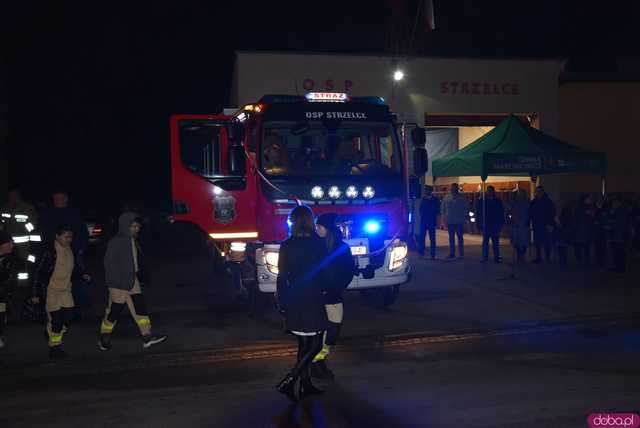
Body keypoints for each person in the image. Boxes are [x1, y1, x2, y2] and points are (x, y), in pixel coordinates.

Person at [275, 205, 329, 402]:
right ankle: (290, 380)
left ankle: (305, 385)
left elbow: (282, 276)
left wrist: (281, 301)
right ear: (310, 221)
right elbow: (324, 271)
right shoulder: (317, 244)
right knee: (315, 344)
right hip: (313, 296)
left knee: (304, 344)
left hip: (294, 296)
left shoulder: (287, 245)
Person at [98, 212, 167, 351]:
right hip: (118, 283)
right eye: (133, 226)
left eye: (138, 227)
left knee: (139, 307)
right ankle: (104, 337)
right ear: (125, 226)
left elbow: (136, 261)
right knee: (114, 311)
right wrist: (117, 282)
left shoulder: (131, 240)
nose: (137, 229)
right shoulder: (116, 241)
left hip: (131, 280)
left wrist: (142, 275)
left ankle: (147, 336)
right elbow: (109, 264)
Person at [32, 225, 90, 359]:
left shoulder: (71, 250)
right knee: (56, 320)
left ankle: (51, 332)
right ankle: (55, 347)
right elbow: (38, 273)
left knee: (68, 317)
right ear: (57, 236)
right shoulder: (48, 251)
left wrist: (83, 274)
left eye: (70, 237)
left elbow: (76, 267)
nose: (69, 240)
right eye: (66, 237)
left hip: (66, 290)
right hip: (51, 290)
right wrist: (35, 293)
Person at [311, 213, 355, 380]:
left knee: (333, 331)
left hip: (334, 295)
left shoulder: (342, 248)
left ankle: (320, 360)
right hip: (318, 297)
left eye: (319, 226)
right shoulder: (314, 247)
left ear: (326, 228)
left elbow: (348, 271)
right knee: (319, 332)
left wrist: (337, 287)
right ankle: (316, 364)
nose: (316, 229)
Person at [40, 190, 90, 318]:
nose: (57, 200)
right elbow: (43, 232)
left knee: (78, 279)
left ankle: (77, 308)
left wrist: (80, 248)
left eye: (60, 198)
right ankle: (52, 312)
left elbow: (83, 232)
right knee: (53, 278)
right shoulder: (48, 213)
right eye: (55, 198)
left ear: (66, 199)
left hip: (74, 251)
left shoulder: (74, 213)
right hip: (54, 252)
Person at [1, 188, 39, 261]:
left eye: (15, 195)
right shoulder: (4, 207)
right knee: (7, 260)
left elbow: (33, 223)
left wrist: (23, 229)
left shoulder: (27, 208)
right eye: (11, 195)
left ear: (19, 195)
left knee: (23, 260)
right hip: (7, 241)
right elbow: (1, 221)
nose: (13, 196)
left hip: (23, 242)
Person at [476, 186, 505, 263]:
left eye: (490, 191)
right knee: (485, 241)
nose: (489, 192)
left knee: (495, 241)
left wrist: (501, 223)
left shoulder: (497, 201)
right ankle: (485, 256)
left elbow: (501, 212)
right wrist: (479, 223)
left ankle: (496, 257)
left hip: (495, 223)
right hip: (486, 223)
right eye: (488, 191)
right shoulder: (482, 201)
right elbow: (479, 213)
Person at [0, 231, 19, 349]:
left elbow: (12, 279)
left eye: (12, 243)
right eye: (9, 243)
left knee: (1, 318)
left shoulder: (10, 260)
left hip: (2, 297)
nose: (11, 246)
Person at [529, 186, 556, 263]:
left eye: (539, 191)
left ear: (543, 192)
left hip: (545, 225)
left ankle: (547, 258)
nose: (538, 193)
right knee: (537, 242)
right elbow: (531, 213)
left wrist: (550, 224)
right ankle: (539, 258)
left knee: (546, 242)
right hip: (537, 225)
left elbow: (552, 213)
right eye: (537, 191)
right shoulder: (534, 202)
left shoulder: (548, 201)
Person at [442, 183, 469, 259]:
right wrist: (444, 219)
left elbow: (466, 208)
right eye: (452, 188)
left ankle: (461, 254)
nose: (453, 189)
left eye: (454, 188)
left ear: (457, 189)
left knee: (460, 238)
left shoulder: (462, 198)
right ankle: (452, 253)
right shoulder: (446, 197)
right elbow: (443, 209)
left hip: (459, 221)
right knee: (451, 238)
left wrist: (465, 218)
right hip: (450, 221)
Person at [607, 196, 631, 273]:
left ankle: (619, 268)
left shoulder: (620, 211)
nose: (613, 204)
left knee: (619, 253)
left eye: (614, 202)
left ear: (617, 202)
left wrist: (610, 226)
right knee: (619, 253)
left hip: (619, 235)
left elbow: (618, 223)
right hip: (620, 235)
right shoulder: (622, 210)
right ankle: (619, 267)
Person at [418, 186, 441, 259]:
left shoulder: (435, 200)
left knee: (432, 238)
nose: (425, 192)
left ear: (430, 191)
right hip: (424, 221)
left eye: (427, 190)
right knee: (422, 237)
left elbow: (437, 211)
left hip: (431, 221)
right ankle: (421, 253)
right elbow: (421, 209)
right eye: (425, 190)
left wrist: (437, 221)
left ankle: (433, 254)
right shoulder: (424, 199)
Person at [574, 194, 595, 265]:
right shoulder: (583, 208)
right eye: (589, 199)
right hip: (583, 230)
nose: (590, 200)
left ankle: (583, 260)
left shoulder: (584, 207)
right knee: (583, 246)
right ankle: (582, 260)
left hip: (583, 230)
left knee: (584, 246)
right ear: (585, 199)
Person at [510, 189, 530, 263]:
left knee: (524, 241)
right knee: (517, 242)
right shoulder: (514, 202)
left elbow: (529, 214)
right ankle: (519, 256)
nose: (520, 195)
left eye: (522, 193)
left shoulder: (527, 203)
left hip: (524, 225)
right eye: (519, 194)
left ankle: (522, 256)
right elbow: (511, 212)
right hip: (516, 225)